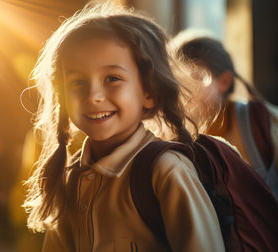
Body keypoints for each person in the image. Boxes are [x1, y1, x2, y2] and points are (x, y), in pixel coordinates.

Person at [23, 3, 225, 252]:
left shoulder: (165, 171)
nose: (93, 95)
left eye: (112, 79)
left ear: (149, 92)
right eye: (77, 81)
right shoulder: (70, 178)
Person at [170, 34, 278, 198]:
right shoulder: (173, 133)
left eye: (195, 78)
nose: (183, 90)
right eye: (177, 80)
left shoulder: (260, 121)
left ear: (225, 82)